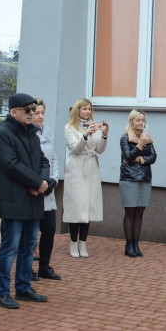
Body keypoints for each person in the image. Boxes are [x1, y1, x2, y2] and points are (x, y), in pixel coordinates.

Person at [0, 93, 52, 310]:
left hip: (33, 199)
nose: (32, 113)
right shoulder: (2, 133)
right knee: (10, 247)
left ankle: (24, 287)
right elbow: (10, 164)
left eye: (33, 110)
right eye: (27, 110)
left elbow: (43, 160)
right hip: (14, 198)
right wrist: (37, 183)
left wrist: (43, 181)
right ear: (13, 111)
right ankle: (1, 292)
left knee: (28, 246)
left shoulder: (33, 135)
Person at [63, 98, 107, 257]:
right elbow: (75, 149)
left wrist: (104, 136)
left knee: (88, 206)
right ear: (77, 111)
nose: (88, 112)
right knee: (77, 206)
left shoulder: (94, 126)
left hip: (91, 168)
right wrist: (86, 135)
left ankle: (83, 243)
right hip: (76, 168)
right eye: (84, 109)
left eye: (89, 109)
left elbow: (100, 150)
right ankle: (73, 243)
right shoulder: (70, 127)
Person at [118, 109, 156, 258]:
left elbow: (153, 157)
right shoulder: (124, 137)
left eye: (143, 120)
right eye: (138, 120)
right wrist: (140, 145)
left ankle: (136, 244)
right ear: (131, 121)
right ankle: (128, 245)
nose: (141, 123)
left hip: (145, 178)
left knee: (140, 212)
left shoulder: (148, 137)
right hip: (129, 178)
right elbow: (128, 157)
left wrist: (141, 159)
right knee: (130, 212)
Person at [32, 98, 61, 280]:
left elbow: (54, 160)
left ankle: (44, 266)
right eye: (37, 113)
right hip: (34, 190)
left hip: (48, 190)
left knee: (49, 229)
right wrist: (40, 183)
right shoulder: (28, 134)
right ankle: (28, 268)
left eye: (43, 112)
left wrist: (54, 180)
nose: (41, 116)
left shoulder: (47, 131)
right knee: (30, 234)